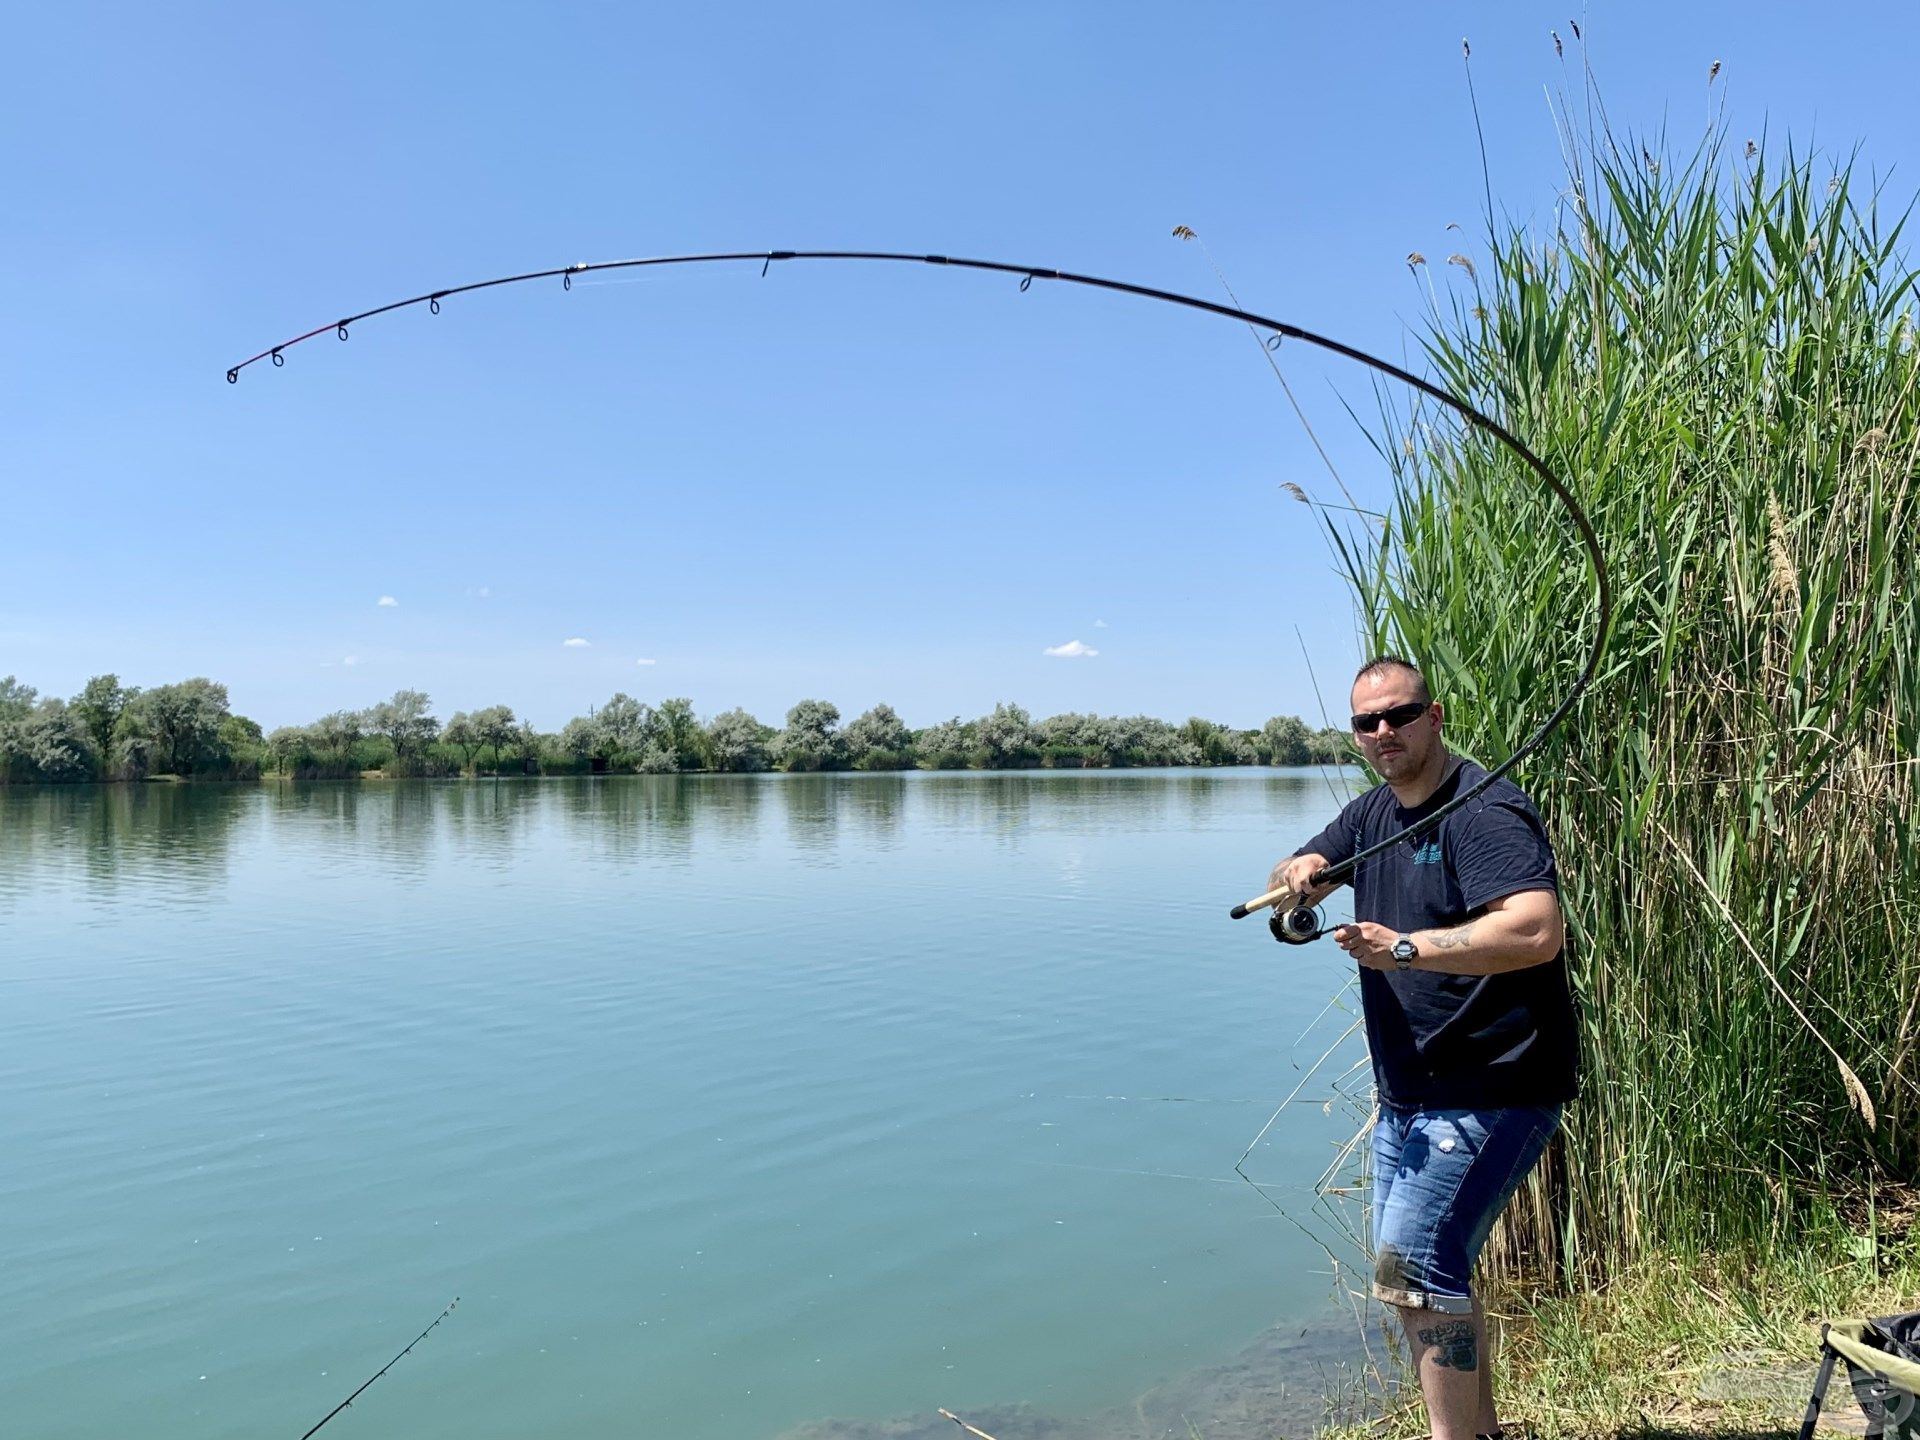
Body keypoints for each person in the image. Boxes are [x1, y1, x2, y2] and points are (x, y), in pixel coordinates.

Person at [1268, 656, 1579, 1440]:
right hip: (1409, 1093)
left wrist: (1406, 948)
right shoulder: (1370, 817)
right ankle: (1483, 1434)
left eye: (1399, 716)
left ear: (1433, 717)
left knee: (1413, 1266)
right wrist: (1299, 874)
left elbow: (1536, 931)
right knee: (1418, 1277)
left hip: (1496, 1083)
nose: (1383, 734)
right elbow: (1291, 887)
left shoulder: (1484, 811)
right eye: (1366, 723)